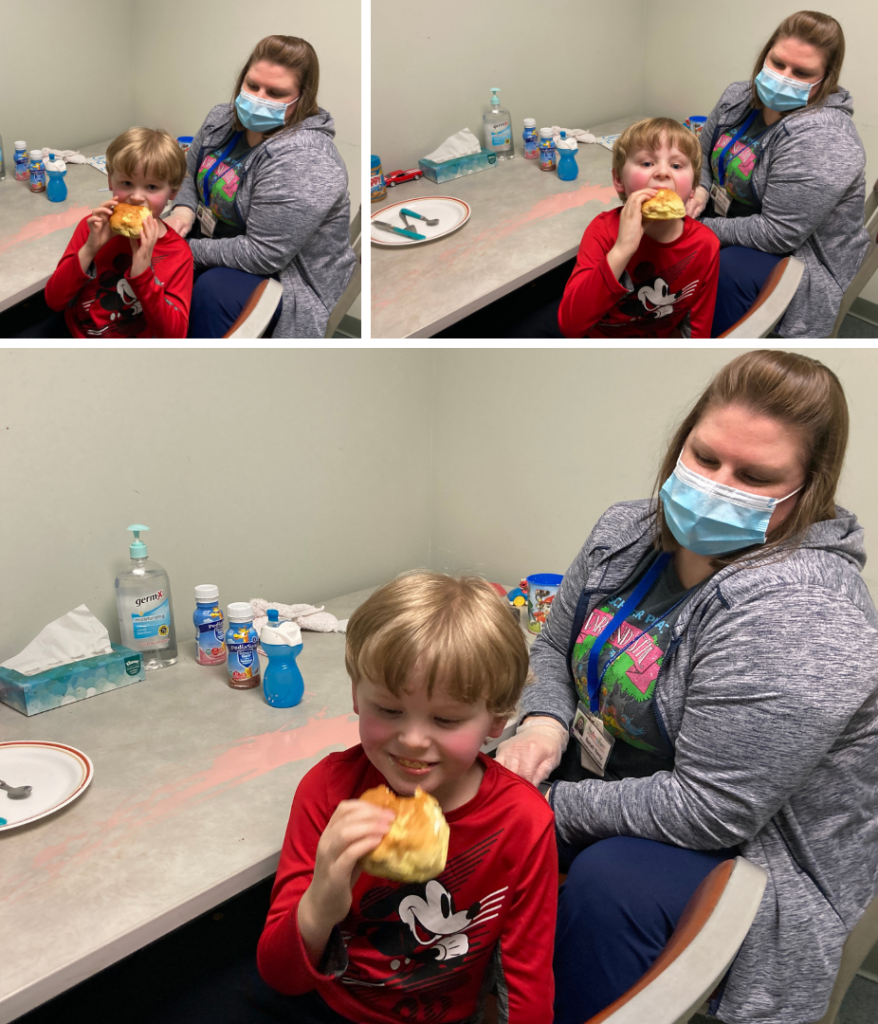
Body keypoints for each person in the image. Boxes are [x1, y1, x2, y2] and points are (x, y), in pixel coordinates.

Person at [496, 350, 878, 1024]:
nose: (717, 485)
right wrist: (544, 723)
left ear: (807, 490)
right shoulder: (627, 531)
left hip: (750, 846)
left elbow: (712, 811)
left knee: (610, 883)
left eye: (756, 476)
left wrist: (547, 805)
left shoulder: (805, 613)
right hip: (614, 783)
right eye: (705, 458)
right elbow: (555, 643)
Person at [163, 574, 556, 1023]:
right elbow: (281, 975)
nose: (411, 740)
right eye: (388, 710)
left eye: (446, 720)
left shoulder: (524, 822)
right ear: (355, 695)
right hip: (329, 1003)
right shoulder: (329, 791)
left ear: (496, 719)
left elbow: (527, 984)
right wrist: (322, 902)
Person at [688, 11, 869, 338]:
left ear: (825, 78)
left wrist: (698, 229)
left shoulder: (824, 139)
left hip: (797, 255)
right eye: (777, 63)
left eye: (802, 72)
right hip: (730, 219)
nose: (784, 77)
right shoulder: (737, 97)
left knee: (726, 271)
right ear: (765, 55)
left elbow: (778, 234)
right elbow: (700, 152)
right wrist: (700, 191)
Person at [162, 35, 357, 339]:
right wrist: (183, 212)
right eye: (252, 86)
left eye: (276, 93)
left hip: (284, 273)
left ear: (301, 99)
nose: (258, 98)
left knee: (209, 290)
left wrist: (180, 249)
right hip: (218, 242)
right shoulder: (220, 120)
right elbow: (188, 172)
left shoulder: (306, 159)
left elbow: (263, 255)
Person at [556, 118, 720, 338]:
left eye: (676, 165)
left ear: (693, 187)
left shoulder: (706, 245)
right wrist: (622, 249)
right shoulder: (602, 231)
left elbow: (698, 325)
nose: (663, 173)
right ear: (618, 179)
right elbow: (570, 326)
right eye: (646, 163)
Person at [41, 127, 193, 339]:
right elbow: (54, 301)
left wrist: (143, 274)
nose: (137, 197)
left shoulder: (178, 253)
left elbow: (175, 336)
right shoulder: (91, 227)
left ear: (173, 192)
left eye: (151, 187)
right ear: (110, 180)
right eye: (127, 183)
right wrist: (90, 248)